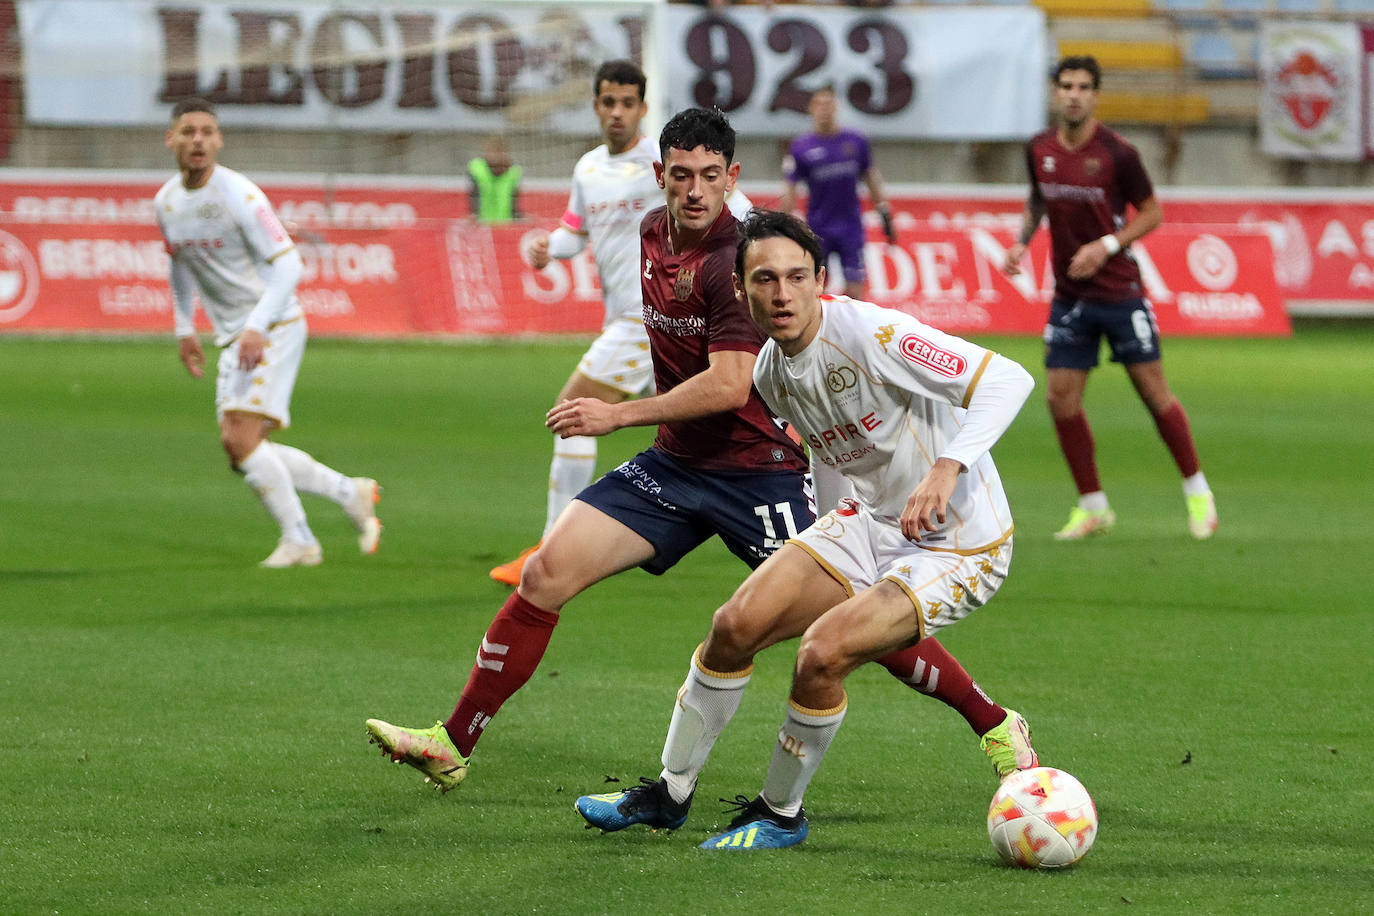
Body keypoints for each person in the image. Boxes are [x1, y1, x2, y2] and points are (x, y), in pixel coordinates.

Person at [364, 111, 1025, 795]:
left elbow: (732, 383)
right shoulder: (652, 232)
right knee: (546, 574)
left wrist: (617, 414)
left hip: (754, 475)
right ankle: (454, 741)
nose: (695, 191)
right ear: (661, 177)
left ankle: (992, 721)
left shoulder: (742, 267)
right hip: (674, 466)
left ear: (731, 178)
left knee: (852, 622)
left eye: (710, 176)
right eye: (681, 175)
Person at [575, 210, 1037, 850]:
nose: (782, 294)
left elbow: (1009, 379)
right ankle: (670, 793)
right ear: (741, 290)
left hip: (961, 543)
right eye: (765, 279)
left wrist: (947, 468)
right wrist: (824, 536)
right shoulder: (770, 370)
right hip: (870, 522)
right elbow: (828, 449)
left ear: (820, 279)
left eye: (797, 277)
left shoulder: (874, 334)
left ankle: (780, 813)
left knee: (821, 654)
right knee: (734, 625)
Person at [489, 60, 753, 587]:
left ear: (642, 107)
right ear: (596, 106)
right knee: (718, 422)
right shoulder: (588, 169)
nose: (617, 112)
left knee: (571, 410)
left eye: (627, 103)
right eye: (608, 102)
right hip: (630, 320)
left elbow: (737, 209)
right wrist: (549, 249)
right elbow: (574, 232)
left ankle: (550, 548)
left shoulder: (669, 165)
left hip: (652, 316)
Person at [156, 97, 381, 568]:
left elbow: (289, 265)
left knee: (239, 440)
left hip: (272, 325)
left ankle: (301, 540)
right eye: (188, 131)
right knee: (241, 447)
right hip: (237, 334)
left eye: (207, 131)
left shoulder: (240, 194)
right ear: (171, 139)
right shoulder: (168, 202)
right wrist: (183, 327)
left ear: (219, 140)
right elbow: (180, 264)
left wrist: (257, 327)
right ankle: (349, 492)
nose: (198, 139)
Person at [1002, 55, 1217, 541]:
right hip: (1070, 296)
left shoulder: (1118, 152)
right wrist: (1022, 240)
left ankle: (1197, 490)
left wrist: (1106, 246)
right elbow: (1038, 198)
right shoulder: (1038, 148)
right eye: (1066, 85)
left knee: (1153, 393)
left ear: (1095, 95)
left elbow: (1153, 212)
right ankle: (1093, 506)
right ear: (1055, 92)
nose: (1074, 94)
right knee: (1060, 399)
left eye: (1083, 87)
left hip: (1120, 293)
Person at [779, 85, 896, 300]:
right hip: (818, 228)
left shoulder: (856, 141)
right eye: (819, 104)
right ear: (811, 109)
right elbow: (790, 188)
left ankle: (852, 333)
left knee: (855, 291)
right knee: (815, 289)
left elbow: (871, 177)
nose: (824, 109)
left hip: (851, 227)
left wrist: (884, 212)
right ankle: (818, 333)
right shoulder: (801, 147)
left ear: (837, 106)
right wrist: (782, 225)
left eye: (828, 104)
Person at [467, 134, 522, 224]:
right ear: (487, 150)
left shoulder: (514, 171)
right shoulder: (477, 168)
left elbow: (514, 201)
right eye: (493, 150)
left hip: (505, 225)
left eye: (500, 150)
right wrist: (474, 215)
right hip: (482, 225)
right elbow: (473, 195)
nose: (496, 155)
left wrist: (517, 217)